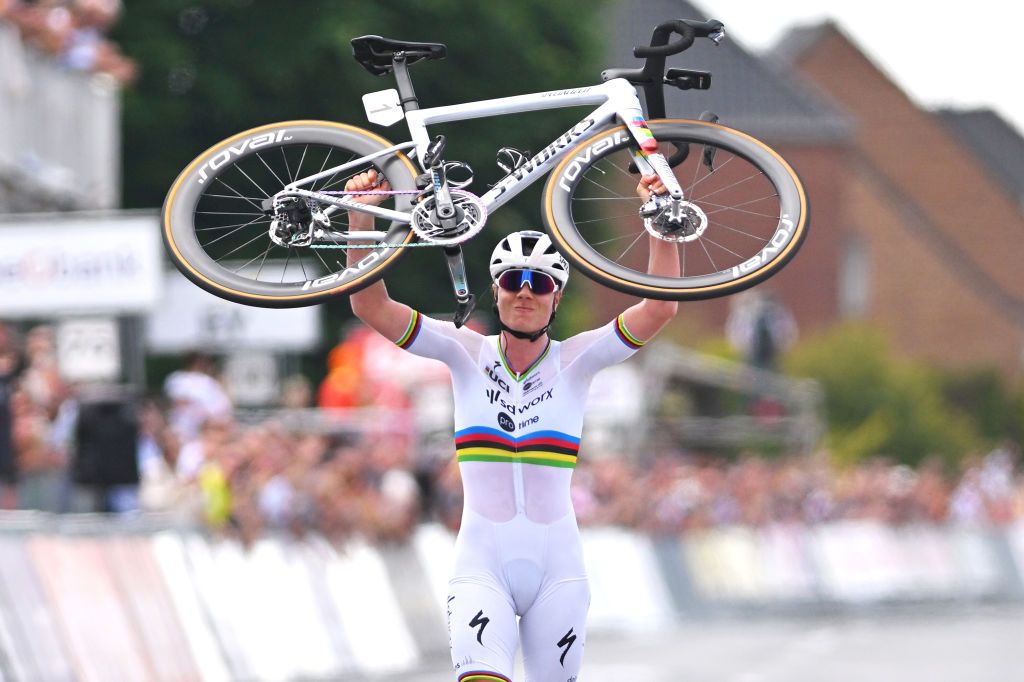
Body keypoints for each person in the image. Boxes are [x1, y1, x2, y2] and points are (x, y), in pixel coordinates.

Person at [345, 168, 678, 681]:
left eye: (539, 282)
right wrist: (360, 218)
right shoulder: (462, 351)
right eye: (512, 281)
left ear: (556, 297)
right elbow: (370, 305)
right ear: (496, 291)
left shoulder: (577, 362)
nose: (525, 292)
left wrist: (659, 219)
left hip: (558, 573)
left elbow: (660, 306)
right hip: (482, 567)